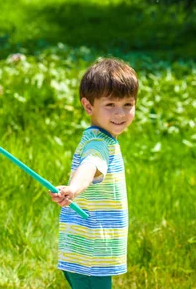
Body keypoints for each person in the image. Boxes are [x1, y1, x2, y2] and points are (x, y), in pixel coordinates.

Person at [50, 58, 138, 289]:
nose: (120, 113)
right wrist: (73, 190)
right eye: (110, 105)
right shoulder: (99, 143)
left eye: (128, 104)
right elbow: (90, 165)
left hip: (86, 253)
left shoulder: (101, 138)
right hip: (91, 254)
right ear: (89, 106)